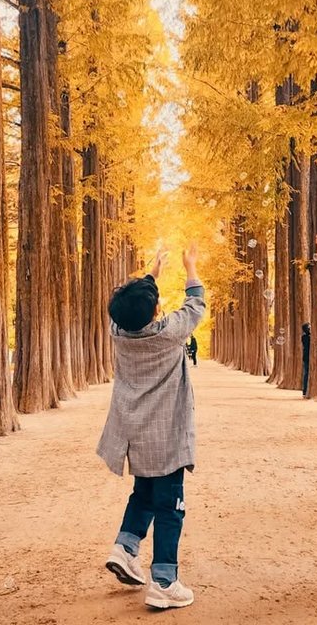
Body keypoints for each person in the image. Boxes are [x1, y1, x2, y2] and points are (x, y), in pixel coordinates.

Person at [98, 245, 205, 610]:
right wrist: (190, 267)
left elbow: (131, 307)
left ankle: (125, 547)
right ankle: (164, 580)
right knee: (170, 505)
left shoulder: (118, 331)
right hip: (167, 436)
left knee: (143, 491)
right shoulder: (169, 333)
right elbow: (196, 305)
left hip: (133, 432)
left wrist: (152, 274)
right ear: (156, 311)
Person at [301, 322, 311, 397]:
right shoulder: (305, 337)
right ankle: (305, 390)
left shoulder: (305, 336)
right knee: (306, 374)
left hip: (306, 357)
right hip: (307, 357)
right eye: (309, 328)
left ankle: (305, 390)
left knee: (306, 373)